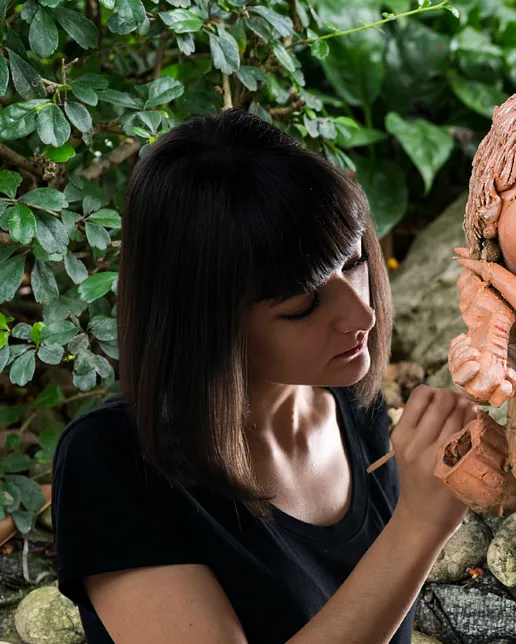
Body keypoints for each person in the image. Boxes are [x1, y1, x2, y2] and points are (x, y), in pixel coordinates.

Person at [50, 108, 474, 644]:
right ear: (207, 321)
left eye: (354, 262)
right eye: (302, 305)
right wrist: (420, 526)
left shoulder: (354, 406)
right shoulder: (114, 462)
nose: (362, 315)